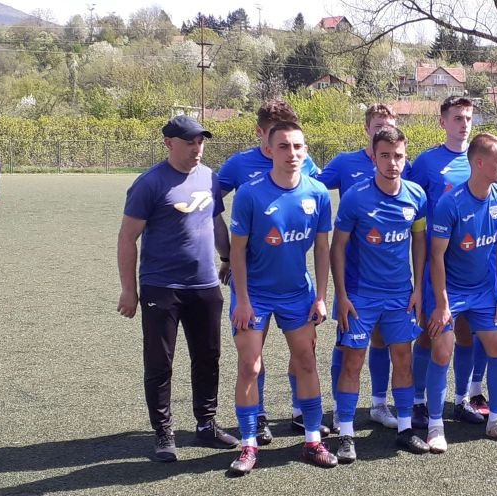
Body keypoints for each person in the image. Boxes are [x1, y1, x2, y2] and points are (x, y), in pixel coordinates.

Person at [117, 115, 240, 462]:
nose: (196, 149)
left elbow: (215, 220)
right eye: (189, 142)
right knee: (160, 363)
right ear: (169, 143)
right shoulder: (150, 183)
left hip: (205, 285)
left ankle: (206, 424)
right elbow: (127, 238)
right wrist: (129, 290)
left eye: (200, 142)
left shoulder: (209, 177)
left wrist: (227, 257)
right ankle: (163, 431)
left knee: (208, 358)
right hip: (162, 287)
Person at [228, 121, 336, 474]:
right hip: (254, 295)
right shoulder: (250, 193)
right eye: (284, 146)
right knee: (250, 365)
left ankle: (312, 441)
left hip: (297, 293)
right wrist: (243, 300)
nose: (292, 153)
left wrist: (321, 297)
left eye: (298, 146)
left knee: (306, 362)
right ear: (269, 150)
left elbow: (322, 248)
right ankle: (248, 445)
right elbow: (237, 252)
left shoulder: (318, 193)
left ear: (306, 151)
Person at [330, 125, 430, 463]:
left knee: (403, 359)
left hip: (400, 295)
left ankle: (405, 428)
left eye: (398, 155)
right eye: (384, 155)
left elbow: (419, 242)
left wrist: (418, 289)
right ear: (373, 156)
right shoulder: (355, 197)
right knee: (352, 361)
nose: (392, 162)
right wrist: (342, 295)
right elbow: (337, 248)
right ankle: (346, 433)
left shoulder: (416, 196)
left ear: (406, 156)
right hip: (361, 296)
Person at [425, 133, 497, 453]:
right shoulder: (450, 203)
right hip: (450, 291)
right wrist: (442, 304)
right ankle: (435, 425)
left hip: (483, 291)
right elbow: (436, 256)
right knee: (442, 350)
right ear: (479, 163)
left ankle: (496, 420)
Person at [404, 96, 486, 429]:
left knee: (466, 334)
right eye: (457, 118)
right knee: (430, 333)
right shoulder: (427, 162)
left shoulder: (480, 158)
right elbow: (411, 205)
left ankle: (461, 399)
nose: (463, 124)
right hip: (436, 264)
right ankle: (418, 401)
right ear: (443, 122)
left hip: (472, 266)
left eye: (468, 118)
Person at [320, 103, 402, 430]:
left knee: (382, 340)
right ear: (368, 128)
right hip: (354, 274)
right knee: (347, 344)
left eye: (389, 125)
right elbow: (313, 183)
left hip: (388, 275)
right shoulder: (345, 162)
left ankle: (379, 404)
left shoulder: (400, 164)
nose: (384, 130)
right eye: (378, 125)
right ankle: (340, 410)